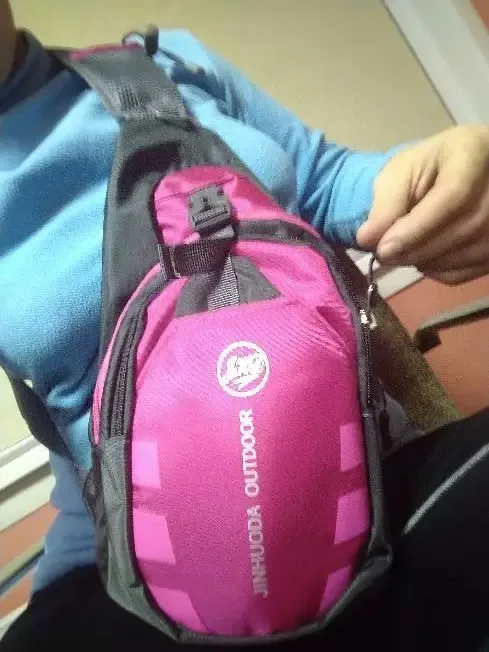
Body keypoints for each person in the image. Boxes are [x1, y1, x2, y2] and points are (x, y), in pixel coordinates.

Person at [1, 0, 489, 649]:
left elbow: (326, 183)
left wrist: (452, 164)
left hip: (371, 494)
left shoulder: (163, 63)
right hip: (126, 577)